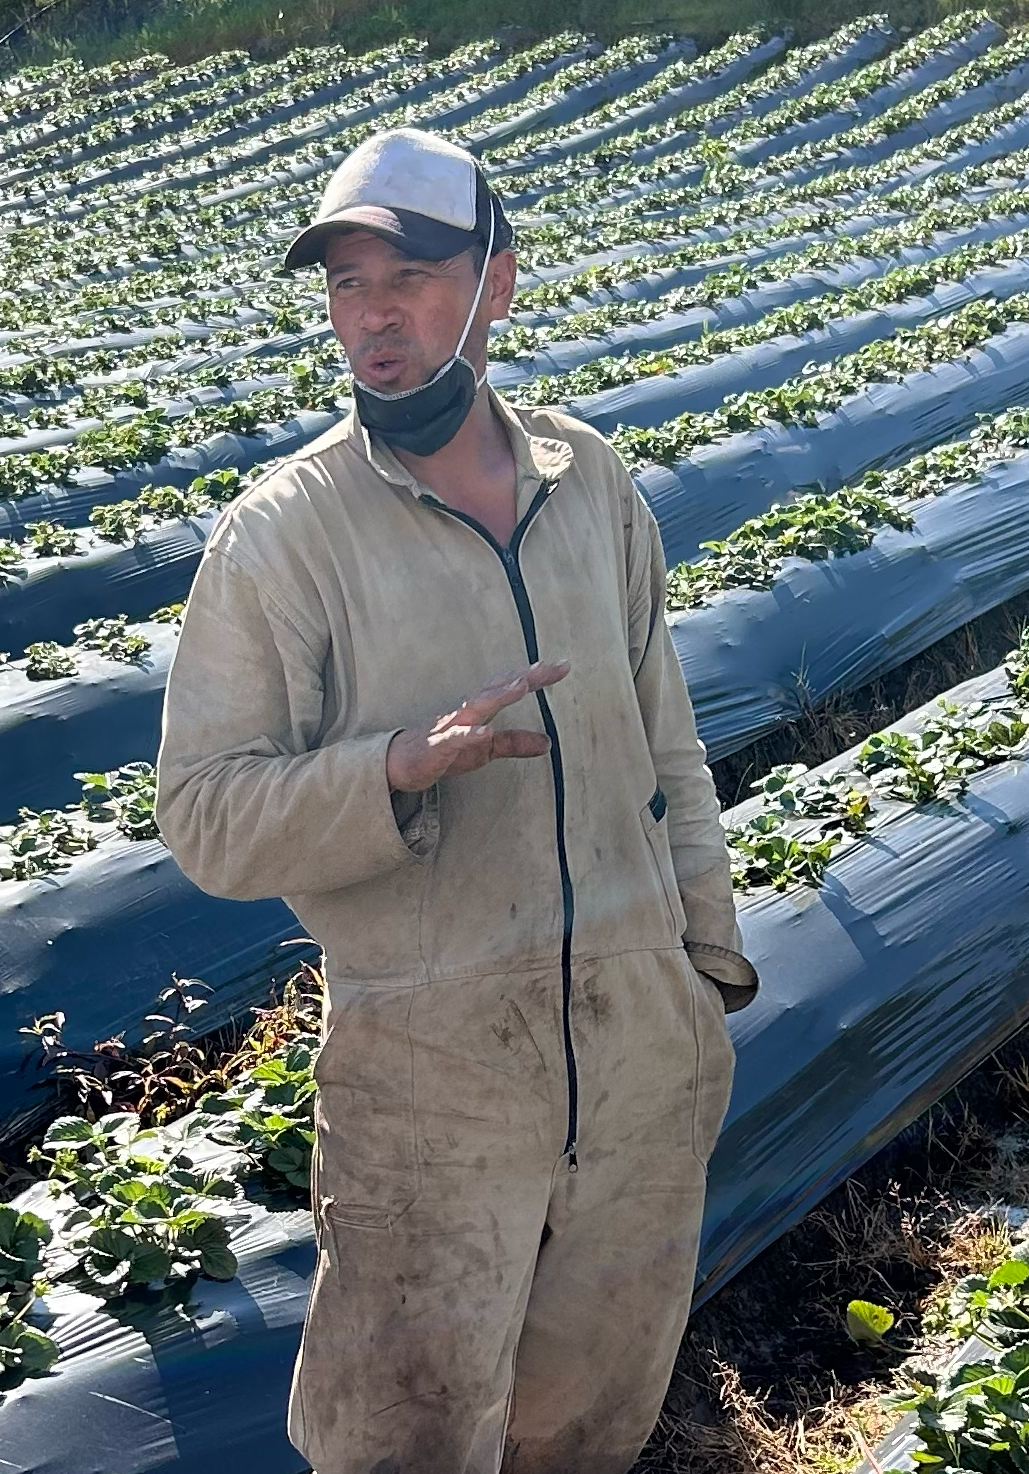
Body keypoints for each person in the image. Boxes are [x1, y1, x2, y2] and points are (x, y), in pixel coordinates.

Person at [154, 126, 757, 1474]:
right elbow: (201, 810)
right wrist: (387, 771)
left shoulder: (588, 483)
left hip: (640, 1051)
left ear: (497, 283)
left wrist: (704, 969)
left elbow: (670, 741)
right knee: (403, 1438)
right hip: (432, 1080)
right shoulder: (283, 537)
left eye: (411, 274)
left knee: (592, 1417)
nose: (374, 313)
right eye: (347, 283)